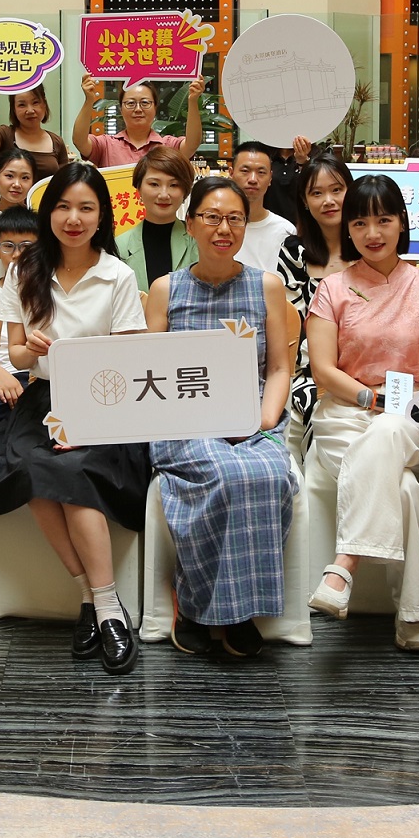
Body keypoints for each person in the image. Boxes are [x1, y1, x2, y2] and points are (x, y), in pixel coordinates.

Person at [0, 164, 152, 674]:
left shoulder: (117, 275)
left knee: (74, 473)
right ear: (47, 212)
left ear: (102, 214)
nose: (73, 218)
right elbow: (12, 352)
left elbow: (128, 364)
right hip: (43, 401)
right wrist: (26, 348)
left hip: (104, 404)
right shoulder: (24, 271)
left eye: (85, 208)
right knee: (34, 473)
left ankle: (101, 608)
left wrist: (88, 419)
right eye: (62, 207)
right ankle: (102, 603)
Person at [304, 174, 419, 652]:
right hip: (346, 413)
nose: (372, 232)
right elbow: (324, 370)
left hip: (416, 416)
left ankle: (344, 565)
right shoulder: (332, 288)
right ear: (347, 231)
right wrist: (371, 400)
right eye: (360, 222)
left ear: (401, 223)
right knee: (407, 488)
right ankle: (412, 617)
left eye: (384, 220)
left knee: (395, 427)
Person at [145, 177, 295, 658]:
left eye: (234, 218)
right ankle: (199, 603)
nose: (223, 228)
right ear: (190, 224)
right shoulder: (166, 289)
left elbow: (277, 369)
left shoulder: (267, 286)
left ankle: (228, 606)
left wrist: (262, 422)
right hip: (182, 419)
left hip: (254, 414)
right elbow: (149, 373)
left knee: (269, 474)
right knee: (223, 472)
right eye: (211, 217)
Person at [276, 154, 355, 461]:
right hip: (307, 372)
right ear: (305, 202)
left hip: (365, 368)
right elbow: (291, 324)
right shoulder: (294, 252)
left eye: (337, 189)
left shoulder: (369, 248)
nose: (328, 200)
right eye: (316, 193)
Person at [0, 206, 39, 492]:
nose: (17, 254)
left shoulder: (47, 292)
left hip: (36, 376)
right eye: (9, 246)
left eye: (27, 245)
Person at [71, 77, 204, 166]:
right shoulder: (106, 145)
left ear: (155, 108)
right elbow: (79, 141)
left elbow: (192, 144)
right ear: (121, 109)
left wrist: (192, 100)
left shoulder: (168, 146)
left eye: (145, 103)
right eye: (130, 103)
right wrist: (89, 99)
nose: (138, 109)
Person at [115, 144, 195, 290]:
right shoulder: (119, 246)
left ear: (185, 191)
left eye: (174, 185)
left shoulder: (198, 241)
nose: (164, 194)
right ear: (138, 188)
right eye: (154, 184)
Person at [0, 82, 69, 183]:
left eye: (35, 102)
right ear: (13, 109)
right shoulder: (5, 135)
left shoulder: (57, 142)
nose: (30, 110)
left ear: (44, 105)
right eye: (22, 105)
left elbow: (64, 182)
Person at [229, 141, 297, 273]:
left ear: (270, 178)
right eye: (245, 171)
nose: (253, 179)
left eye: (261, 172)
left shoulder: (286, 231)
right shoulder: (219, 227)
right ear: (231, 173)